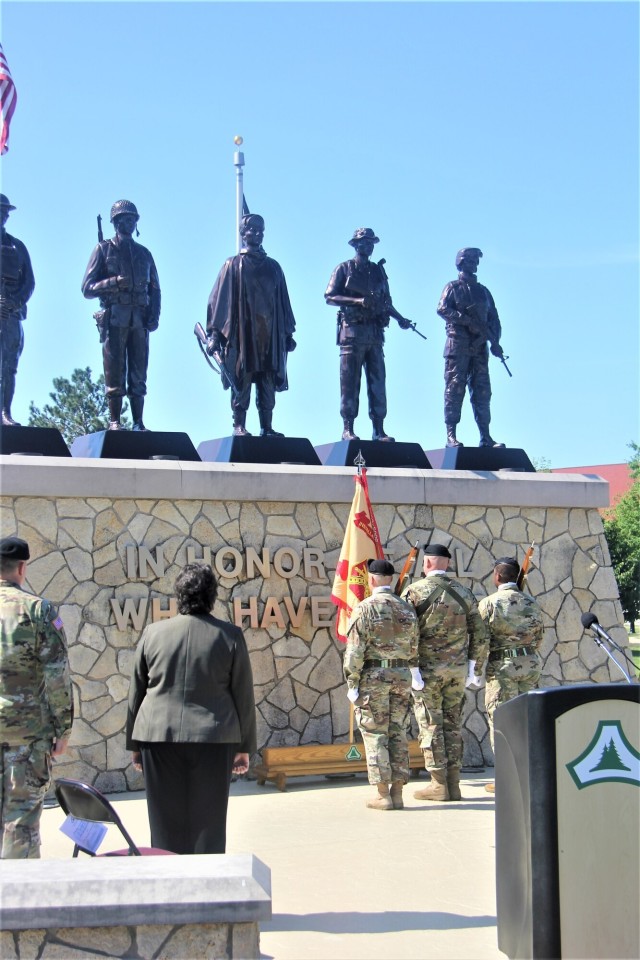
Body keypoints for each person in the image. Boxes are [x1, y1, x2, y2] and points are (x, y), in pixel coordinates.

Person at [126, 562, 256, 854]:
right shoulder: (230, 635)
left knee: (163, 822)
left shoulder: (152, 633)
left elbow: (136, 691)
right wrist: (244, 746)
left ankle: (167, 882)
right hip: (213, 738)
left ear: (179, 596)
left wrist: (134, 744)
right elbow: (243, 696)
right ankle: (206, 886)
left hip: (156, 737)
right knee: (209, 823)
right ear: (212, 596)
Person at [0, 536, 72, 858]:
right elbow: (57, 675)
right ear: (23, 567)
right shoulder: (38, 611)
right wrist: (64, 729)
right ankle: (19, 903)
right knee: (21, 822)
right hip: (27, 739)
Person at [402, 543, 488, 802]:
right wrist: (474, 667)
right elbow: (480, 633)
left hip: (427, 671)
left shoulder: (414, 592)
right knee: (452, 725)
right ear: (447, 564)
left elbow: (408, 634)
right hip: (457, 671)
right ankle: (454, 783)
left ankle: (438, 784)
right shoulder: (465, 593)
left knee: (431, 724)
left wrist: (413, 669)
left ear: (426, 563)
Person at [206, 213, 296, 437]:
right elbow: (219, 301)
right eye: (251, 230)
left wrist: (287, 333)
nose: (256, 234)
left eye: (260, 231)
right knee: (241, 381)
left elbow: (284, 302)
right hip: (242, 336)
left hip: (268, 337)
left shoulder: (274, 267)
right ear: (242, 234)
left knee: (267, 383)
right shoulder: (233, 265)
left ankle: (267, 427)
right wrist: (215, 334)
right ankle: (239, 424)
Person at [343, 558, 422, 811]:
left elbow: (355, 650)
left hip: (374, 678)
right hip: (401, 676)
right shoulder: (407, 608)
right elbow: (413, 646)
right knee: (398, 732)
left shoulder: (365, 609)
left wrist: (352, 681)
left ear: (372, 578)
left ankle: (382, 794)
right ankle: (397, 793)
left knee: (375, 732)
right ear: (389, 578)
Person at [325, 227, 412, 442]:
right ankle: (348, 428)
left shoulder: (378, 272)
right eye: (364, 243)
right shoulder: (343, 269)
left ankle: (378, 429)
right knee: (349, 382)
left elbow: (386, 302)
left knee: (378, 382)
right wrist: (358, 301)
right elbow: (330, 296)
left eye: (371, 243)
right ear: (355, 245)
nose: (369, 246)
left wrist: (399, 318)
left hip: (374, 333)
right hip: (352, 332)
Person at [81, 200, 161, 431]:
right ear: (115, 222)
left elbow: (154, 289)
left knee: (139, 372)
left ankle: (138, 421)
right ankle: (115, 421)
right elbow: (87, 288)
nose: (128, 223)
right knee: (114, 370)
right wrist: (113, 282)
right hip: (115, 317)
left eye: (132, 219)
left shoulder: (144, 254)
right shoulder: (103, 249)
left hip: (140, 319)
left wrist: (154, 315)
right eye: (124, 219)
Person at [478, 557, 544, 793]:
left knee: (503, 720)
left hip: (503, 668)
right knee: (528, 719)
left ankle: (507, 777)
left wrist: (476, 669)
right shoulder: (531, 602)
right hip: (530, 664)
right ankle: (528, 773)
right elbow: (539, 637)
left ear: (497, 576)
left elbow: (480, 640)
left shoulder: (489, 604)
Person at [436, 247, 505, 449]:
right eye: (469, 261)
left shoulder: (483, 292)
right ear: (461, 263)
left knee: (483, 391)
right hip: (458, 346)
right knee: (455, 389)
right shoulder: (452, 287)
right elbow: (442, 309)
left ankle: (485, 436)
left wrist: (495, 342)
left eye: (476, 262)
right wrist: (466, 321)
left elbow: (494, 320)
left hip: (479, 348)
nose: (473, 265)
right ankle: (451, 436)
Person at [0, 195, 35, 427]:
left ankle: (5, 412)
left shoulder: (17, 246)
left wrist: (14, 301)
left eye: (4, 211)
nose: (2, 215)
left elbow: (29, 282)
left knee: (9, 367)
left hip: (10, 314)